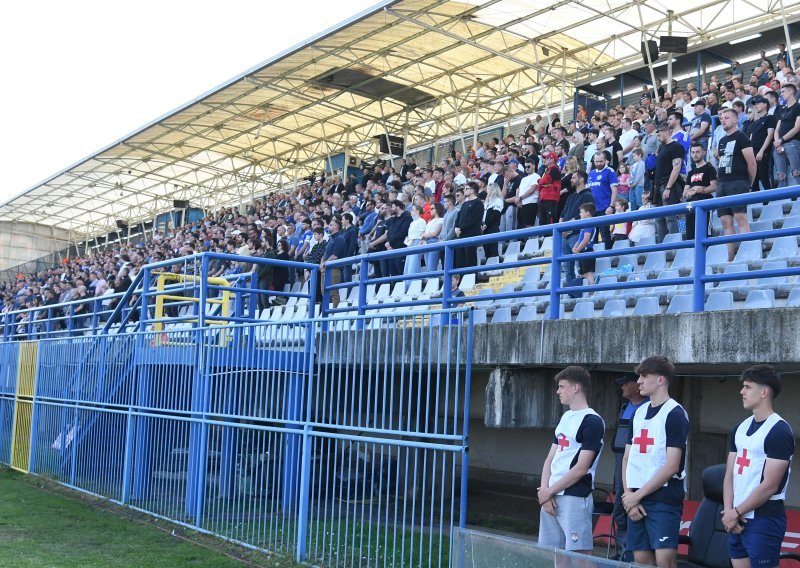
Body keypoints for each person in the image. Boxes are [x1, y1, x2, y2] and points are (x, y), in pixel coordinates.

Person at [722, 365, 794, 568]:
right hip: (736, 517)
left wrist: (736, 513)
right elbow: (730, 474)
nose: (741, 392)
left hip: (764, 519)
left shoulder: (779, 431)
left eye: (747, 387)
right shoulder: (739, 428)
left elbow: (770, 485)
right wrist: (729, 512)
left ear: (764, 392)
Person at [622, 356, 689, 568]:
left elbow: (672, 466)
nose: (638, 381)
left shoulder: (675, 414)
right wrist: (629, 496)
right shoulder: (638, 412)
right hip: (635, 497)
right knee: (640, 560)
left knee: (664, 561)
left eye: (644, 376)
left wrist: (636, 496)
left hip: (663, 498)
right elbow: (627, 457)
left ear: (660, 380)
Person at [537, 366, 605, 555]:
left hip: (574, 496)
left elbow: (581, 468)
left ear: (575, 388)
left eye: (561, 386)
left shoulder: (592, 420)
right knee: (554, 555)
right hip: (551, 496)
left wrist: (549, 491)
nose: (558, 391)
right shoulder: (566, 416)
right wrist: (545, 492)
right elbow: (550, 458)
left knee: (579, 555)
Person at [611, 373, 649, 561]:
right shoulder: (625, 406)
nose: (622, 387)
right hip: (620, 460)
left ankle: (631, 554)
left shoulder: (647, 407)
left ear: (636, 385)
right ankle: (622, 552)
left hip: (636, 463)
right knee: (619, 507)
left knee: (627, 505)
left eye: (625, 383)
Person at [717, 107, 757, 262]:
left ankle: (747, 257)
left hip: (738, 182)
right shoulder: (721, 140)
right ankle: (730, 259)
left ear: (735, 120)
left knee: (740, 218)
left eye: (727, 117)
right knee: (725, 222)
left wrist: (749, 184)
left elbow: (752, 163)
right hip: (722, 184)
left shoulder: (742, 137)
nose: (723, 120)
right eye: (721, 118)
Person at [559, 170, 596, 283]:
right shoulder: (570, 197)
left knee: (578, 267)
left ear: (582, 179)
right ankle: (572, 293)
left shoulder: (588, 195)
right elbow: (563, 214)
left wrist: (567, 227)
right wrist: (561, 228)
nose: (571, 180)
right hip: (565, 235)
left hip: (577, 234)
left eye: (574, 177)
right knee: (567, 267)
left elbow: (584, 216)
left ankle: (581, 293)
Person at [653, 123, 685, 243]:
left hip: (669, 185)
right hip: (658, 185)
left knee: (671, 217)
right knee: (659, 219)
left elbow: (676, 168)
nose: (658, 137)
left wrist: (668, 187)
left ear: (666, 132)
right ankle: (663, 246)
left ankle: (674, 244)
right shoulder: (661, 148)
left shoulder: (676, 147)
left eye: (659, 134)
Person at [683, 143, 717, 241]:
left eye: (697, 152)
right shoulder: (690, 173)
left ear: (703, 152)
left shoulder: (709, 168)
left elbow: (714, 187)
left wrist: (700, 190)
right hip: (691, 206)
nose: (695, 154)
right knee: (690, 235)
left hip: (705, 203)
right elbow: (684, 194)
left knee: (705, 234)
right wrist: (694, 189)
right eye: (693, 152)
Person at [587, 152, 619, 245]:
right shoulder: (592, 173)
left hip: (605, 207)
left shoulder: (610, 171)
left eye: (601, 161)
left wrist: (611, 206)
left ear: (605, 160)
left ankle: (608, 256)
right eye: (596, 161)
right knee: (593, 235)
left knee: (605, 234)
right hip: (593, 209)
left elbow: (615, 190)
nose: (599, 164)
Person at [773, 84, 800, 187]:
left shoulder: (798, 107)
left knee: (796, 172)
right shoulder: (782, 109)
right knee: (781, 175)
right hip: (780, 145)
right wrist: (777, 143)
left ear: (791, 92)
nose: (781, 94)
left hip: (793, 143)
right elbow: (777, 129)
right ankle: (784, 201)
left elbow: (797, 128)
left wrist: (781, 140)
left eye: (783, 91)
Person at [454, 182, 484, 269]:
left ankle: (471, 278)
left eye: (466, 188)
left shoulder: (478, 203)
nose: (464, 190)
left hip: (471, 235)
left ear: (472, 190)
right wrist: (456, 228)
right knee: (460, 261)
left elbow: (473, 220)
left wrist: (460, 229)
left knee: (469, 259)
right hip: (461, 235)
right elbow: (458, 217)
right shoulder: (465, 204)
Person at [320, 217, 346, 308]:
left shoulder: (339, 238)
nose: (328, 226)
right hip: (327, 268)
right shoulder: (332, 238)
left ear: (336, 227)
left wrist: (324, 263)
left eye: (330, 225)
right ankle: (326, 312)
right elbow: (325, 253)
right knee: (324, 292)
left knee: (333, 293)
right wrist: (322, 264)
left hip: (334, 269)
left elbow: (335, 255)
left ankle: (334, 313)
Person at [573, 203, 597, 286]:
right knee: (582, 273)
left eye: (581, 212)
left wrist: (578, 250)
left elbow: (586, 240)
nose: (580, 214)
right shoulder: (585, 223)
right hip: (582, 251)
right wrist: (575, 247)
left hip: (586, 250)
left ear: (588, 213)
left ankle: (592, 291)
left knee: (588, 273)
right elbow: (580, 239)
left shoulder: (588, 223)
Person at [537, 152, 562, 226]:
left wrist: (541, 182)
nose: (545, 160)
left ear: (552, 159)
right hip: (544, 198)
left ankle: (551, 236)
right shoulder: (547, 170)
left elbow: (545, 180)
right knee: (543, 220)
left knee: (550, 220)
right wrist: (541, 183)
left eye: (547, 158)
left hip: (551, 198)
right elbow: (539, 185)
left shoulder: (554, 169)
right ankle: (543, 236)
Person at [421, 202, 444, 272]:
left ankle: (433, 281)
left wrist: (423, 235)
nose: (430, 210)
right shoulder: (430, 221)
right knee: (428, 268)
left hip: (434, 242)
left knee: (431, 268)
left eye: (432, 208)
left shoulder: (441, 220)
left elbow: (435, 233)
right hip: (426, 243)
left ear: (437, 209)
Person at [517, 161, 540, 228]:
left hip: (531, 203)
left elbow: (532, 190)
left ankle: (531, 239)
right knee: (521, 225)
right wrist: (519, 200)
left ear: (533, 166)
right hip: (522, 204)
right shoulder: (523, 178)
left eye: (528, 166)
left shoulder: (536, 176)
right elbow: (519, 190)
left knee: (529, 225)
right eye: (525, 167)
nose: (527, 168)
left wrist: (520, 198)